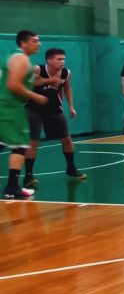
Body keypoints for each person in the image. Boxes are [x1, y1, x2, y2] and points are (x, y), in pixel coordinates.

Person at [24, 48, 86, 190]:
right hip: (34, 109)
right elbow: (30, 83)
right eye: (59, 59)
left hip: (54, 109)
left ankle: (71, 168)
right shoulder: (38, 69)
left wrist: (71, 106)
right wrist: (50, 80)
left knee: (67, 138)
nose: (62, 62)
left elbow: (67, 88)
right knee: (33, 141)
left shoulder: (66, 73)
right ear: (49, 60)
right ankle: (28, 176)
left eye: (63, 59)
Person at [1, 30, 48, 200]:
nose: (39, 43)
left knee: (2, 142)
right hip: (11, 108)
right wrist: (35, 96)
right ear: (23, 43)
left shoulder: (12, 56)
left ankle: (12, 187)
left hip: (4, 106)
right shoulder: (22, 59)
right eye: (35, 40)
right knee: (19, 146)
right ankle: (12, 188)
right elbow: (13, 84)